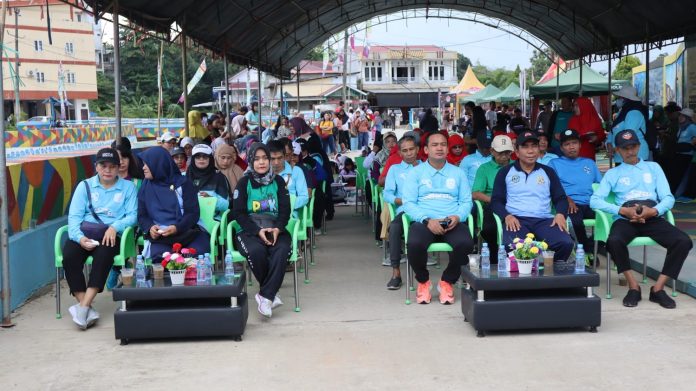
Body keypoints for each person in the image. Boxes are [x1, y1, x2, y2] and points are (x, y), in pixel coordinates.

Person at [590, 129, 692, 308]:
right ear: (618, 150)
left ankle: (658, 289)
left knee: (683, 241)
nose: (630, 151)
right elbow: (595, 200)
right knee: (614, 241)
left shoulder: (653, 167)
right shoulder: (613, 173)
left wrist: (653, 211)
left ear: (639, 146)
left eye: (633, 146)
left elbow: (668, 198)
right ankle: (633, 286)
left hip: (652, 215)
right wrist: (622, 210)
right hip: (625, 218)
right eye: (625, 148)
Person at [63, 148, 137, 329]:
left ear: (119, 168)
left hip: (112, 235)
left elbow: (133, 216)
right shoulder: (84, 186)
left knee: (103, 257)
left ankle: (83, 307)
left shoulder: (128, 187)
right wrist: (80, 239)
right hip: (85, 233)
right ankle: (86, 307)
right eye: (103, 165)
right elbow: (74, 218)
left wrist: (115, 227)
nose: (108, 170)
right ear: (96, 166)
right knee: (69, 256)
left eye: (113, 166)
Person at [402, 132, 475, 305]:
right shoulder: (416, 173)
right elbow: (408, 203)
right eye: (435, 145)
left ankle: (447, 281)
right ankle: (423, 281)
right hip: (425, 221)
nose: (440, 148)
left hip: (452, 220)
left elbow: (466, 201)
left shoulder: (458, 173)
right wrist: (427, 220)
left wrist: (457, 217)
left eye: (443, 144)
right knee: (414, 243)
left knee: (466, 243)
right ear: (426, 149)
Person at [491, 130, 574, 262]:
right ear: (517, 152)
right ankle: (520, 280)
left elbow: (560, 198)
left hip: (544, 220)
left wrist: (560, 214)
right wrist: (506, 216)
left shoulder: (548, 172)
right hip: (517, 220)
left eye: (534, 146)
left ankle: (551, 275)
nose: (531, 151)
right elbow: (496, 201)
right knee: (512, 246)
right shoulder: (505, 172)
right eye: (525, 147)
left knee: (565, 243)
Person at [231, 143, 292, 317]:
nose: (262, 162)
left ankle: (265, 295)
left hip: (274, 227)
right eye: (257, 159)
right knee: (256, 250)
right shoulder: (244, 183)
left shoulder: (278, 181)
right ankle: (271, 294)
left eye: (265, 158)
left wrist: (278, 228)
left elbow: (285, 210)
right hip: (250, 228)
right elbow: (239, 213)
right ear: (250, 161)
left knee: (281, 250)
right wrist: (257, 231)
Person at [138, 147, 210, 263]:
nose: (144, 168)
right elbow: (142, 215)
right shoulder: (145, 186)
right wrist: (150, 227)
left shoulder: (183, 184)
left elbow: (192, 214)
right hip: (161, 238)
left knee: (197, 255)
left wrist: (177, 228)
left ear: (158, 164)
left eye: (147, 164)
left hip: (187, 232)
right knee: (162, 259)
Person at [549, 130, 602, 263]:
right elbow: (552, 187)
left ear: (580, 145)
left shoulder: (589, 163)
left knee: (610, 220)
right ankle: (584, 252)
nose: (571, 147)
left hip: (591, 203)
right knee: (576, 222)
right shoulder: (554, 163)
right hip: (570, 204)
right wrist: (566, 199)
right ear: (561, 148)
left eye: (574, 143)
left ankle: (587, 248)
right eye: (567, 144)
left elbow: (601, 186)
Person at [383, 135, 420, 290]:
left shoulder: (426, 167)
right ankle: (396, 272)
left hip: (426, 210)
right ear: (400, 153)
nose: (409, 153)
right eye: (405, 150)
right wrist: (402, 201)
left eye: (411, 149)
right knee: (394, 228)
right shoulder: (395, 169)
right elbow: (387, 194)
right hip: (405, 210)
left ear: (418, 149)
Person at [472, 135, 513, 252]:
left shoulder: (517, 165)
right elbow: (476, 193)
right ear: (492, 151)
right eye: (500, 153)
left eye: (507, 152)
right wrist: (495, 201)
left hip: (516, 202)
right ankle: (495, 255)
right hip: (492, 203)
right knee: (490, 228)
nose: (504, 156)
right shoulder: (484, 169)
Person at [607, 86, 649, 164]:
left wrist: (614, 149)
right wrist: (609, 143)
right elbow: (613, 130)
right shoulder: (622, 112)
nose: (618, 99)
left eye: (620, 97)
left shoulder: (634, 112)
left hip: (635, 155)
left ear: (626, 99)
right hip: (620, 155)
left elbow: (628, 135)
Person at [186, 144, 231, 217]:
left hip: (212, 221)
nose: (201, 159)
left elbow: (226, 205)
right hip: (189, 219)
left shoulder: (219, 177)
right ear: (193, 159)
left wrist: (211, 200)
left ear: (210, 158)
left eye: (205, 156)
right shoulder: (185, 176)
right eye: (198, 156)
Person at [268, 140, 309, 217]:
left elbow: (304, 197)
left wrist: (287, 204)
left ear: (284, 156)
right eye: (272, 159)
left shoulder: (296, 171)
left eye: (280, 158)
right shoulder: (262, 174)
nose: (276, 162)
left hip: (290, 216)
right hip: (267, 216)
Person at [666, 108, 696, 192]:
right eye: (680, 115)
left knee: (680, 174)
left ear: (687, 117)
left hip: (687, 154)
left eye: (682, 115)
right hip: (679, 153)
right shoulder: (681, 127)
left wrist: (692, 142)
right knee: (676, 173)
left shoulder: (692, 127)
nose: (679, 117)